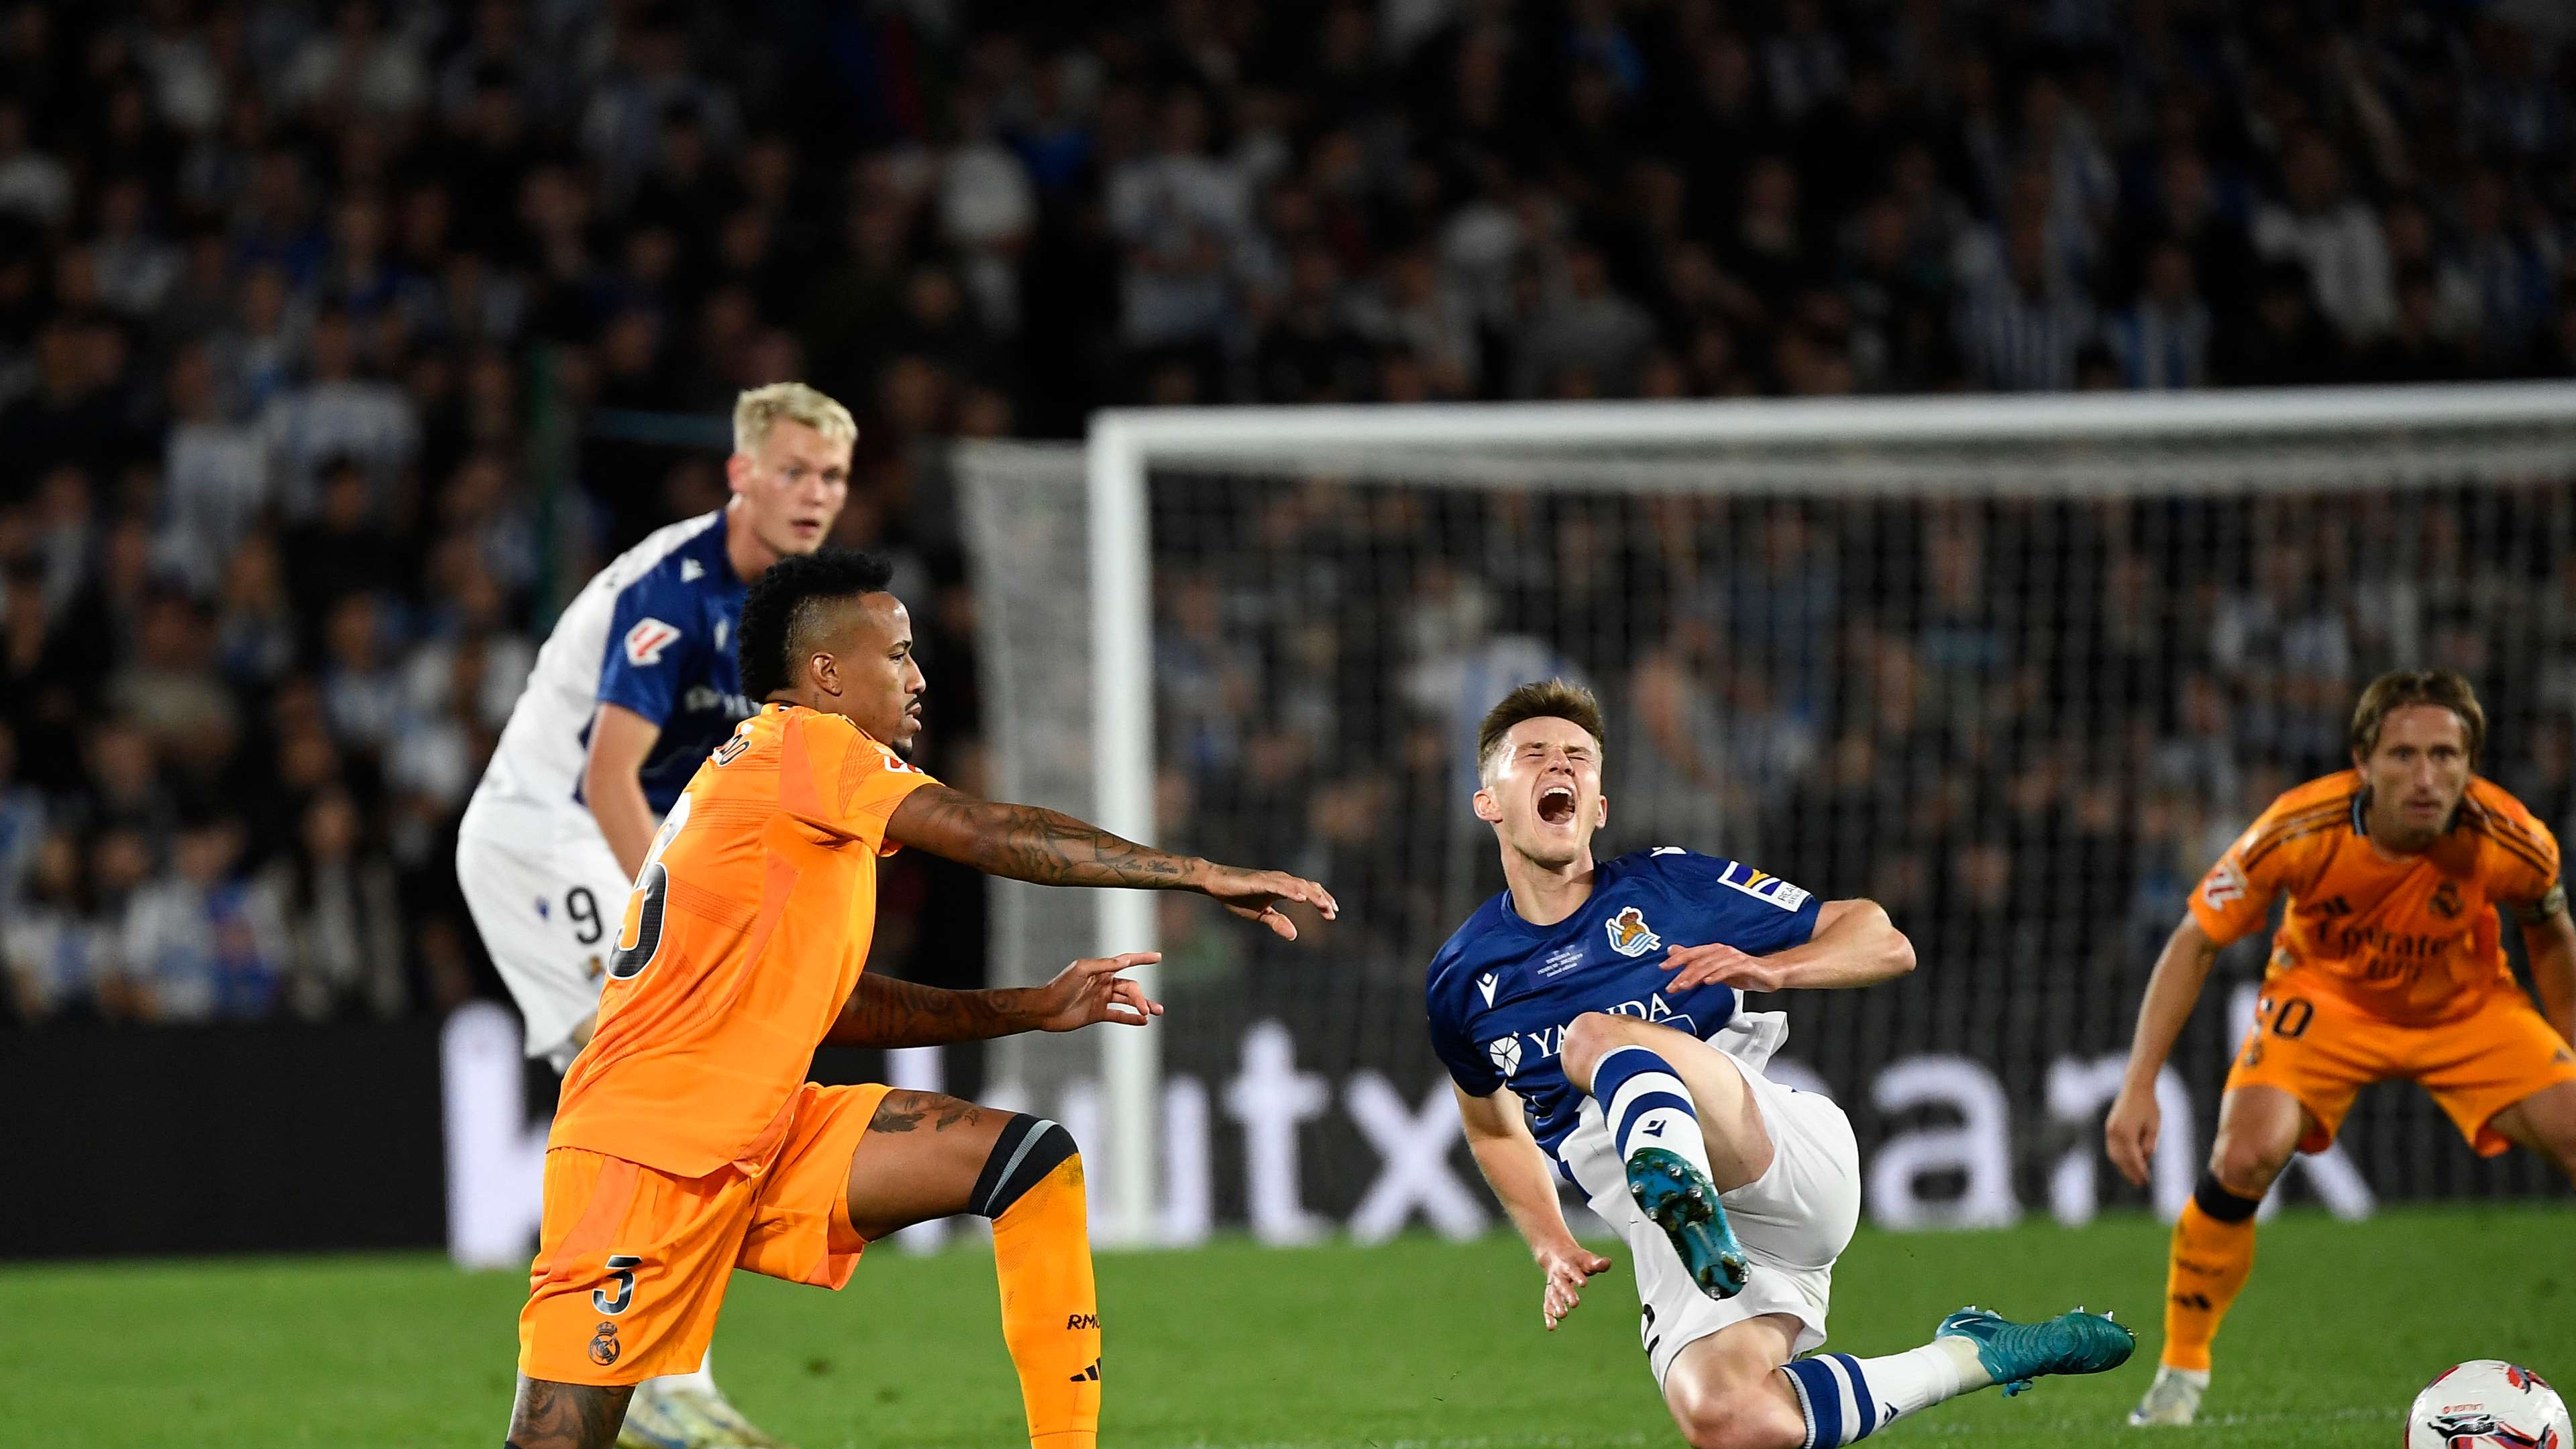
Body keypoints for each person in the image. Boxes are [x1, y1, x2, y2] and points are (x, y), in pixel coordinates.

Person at [504, 547, 1337, 1449]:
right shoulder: (810, 749)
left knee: (1030, 1161)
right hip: (645, 1153)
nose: (919, 676)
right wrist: (1195, 873)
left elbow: (839, 1005)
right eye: (896, 654)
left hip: (765, 1132)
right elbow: (989, 831)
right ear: (825, 673)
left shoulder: (785, 786)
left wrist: (1027, 1006)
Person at [1426, 680, 2132, 1449]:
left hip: (1777, 1159)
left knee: (1594, 1037)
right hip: (1691, 1242)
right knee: (1732, 1420)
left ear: (1598, 806)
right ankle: (1974, 1353)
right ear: (1489, 802)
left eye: (1580, 758)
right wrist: (1551, 1242)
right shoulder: (1461, 977)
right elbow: (1494, 1129)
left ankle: (1676, 1172)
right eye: (1534, 755)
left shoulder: (1671, 886)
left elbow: (1881, 937)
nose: (1560, 765)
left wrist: (1777, 970)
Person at [458, 381, 857, 1448]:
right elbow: (608, 781)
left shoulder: (791, 606)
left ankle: (626, 1378)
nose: (814, 494)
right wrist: (691, 926)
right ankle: (654, 1381)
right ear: (740, 475)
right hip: (542, 841)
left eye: (832, 477)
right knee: (659, 1089)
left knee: (668, 1094)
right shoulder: (672, 592)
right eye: (793, 472)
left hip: (612, 848)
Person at [2108, 669, 2576, 1427]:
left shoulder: (2511, 838)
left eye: (2445, 756)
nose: (2426, 777)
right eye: (2402, 755)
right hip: (2326, 1004)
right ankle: (2180, 1375)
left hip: (2468, 1009)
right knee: (2244, 1154)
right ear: (2364, 760)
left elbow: (2550, 936)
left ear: (2470, 762)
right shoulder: (2299, 828)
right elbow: (2194, 941)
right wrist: (2139, 1084)